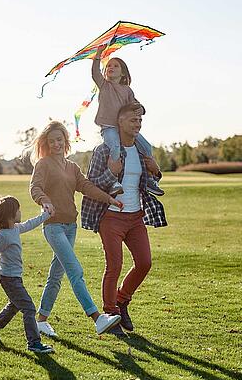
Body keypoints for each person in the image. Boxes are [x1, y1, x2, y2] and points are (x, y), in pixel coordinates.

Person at [29, 121, 124, 338]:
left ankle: (41, 320)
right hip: (53, 227)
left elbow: (87, 187)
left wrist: (109, 198)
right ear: (46, 144)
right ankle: (97, 318)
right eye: (52, 141)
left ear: (65, 141)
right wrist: (44, 201)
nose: (56, 144)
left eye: (59, 140)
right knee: (75, 271)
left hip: (71, 227)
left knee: (56, 275)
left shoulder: (72, 167)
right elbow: (35, 187)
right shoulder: (43, 165)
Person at [81, 103, 168, 336]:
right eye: (133, 120)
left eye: (140, 121)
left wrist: (156, 171)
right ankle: (110, 315)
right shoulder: (103, 151)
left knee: (144, 262)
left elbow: (150, 183)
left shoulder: (142, 152)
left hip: (135, 217)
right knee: (114, 266)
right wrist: (111, 170)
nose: (137, 124)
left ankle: (122, 301)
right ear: (119, 122)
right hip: (110, 218)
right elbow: (91, 184)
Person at [0, 196, 55, 354]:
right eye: (18, 210)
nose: (21, 212)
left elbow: (30, 224)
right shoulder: (3, 236)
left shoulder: (15, 228)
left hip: (14, 277)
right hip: (8, 278)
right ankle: (34, 343)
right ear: (10, 215)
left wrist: (45, 216)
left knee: (14, 306)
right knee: (29, 308)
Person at [92, 45, 164, 197]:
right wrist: (98, 54)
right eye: (109, 66)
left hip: (124, 128)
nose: (111, 67)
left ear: (123, 72)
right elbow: (94, 73)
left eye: (116, 66)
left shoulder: (127, 90)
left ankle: (150, 179)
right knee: (115, 149)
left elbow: (136, 105)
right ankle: (113, 182)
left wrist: (141, 109)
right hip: (109, 127)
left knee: (146, 147)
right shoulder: (104, 85)